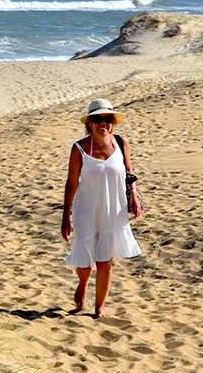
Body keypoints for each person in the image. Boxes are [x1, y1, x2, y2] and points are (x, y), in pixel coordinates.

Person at [60, 98, 142, 317]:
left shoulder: (121, 143)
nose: (103, 123)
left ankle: (99, 307)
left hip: (113, 210)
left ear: (113, 122)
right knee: (84, 261)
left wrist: (134, 195)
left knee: (105, 261)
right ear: (90, 123)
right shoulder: (79, 148)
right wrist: (65, 217)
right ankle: (83, 283)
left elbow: (129, 173)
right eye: (97, 119)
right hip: (85, 211)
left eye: (107, 118)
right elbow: (71, 184)